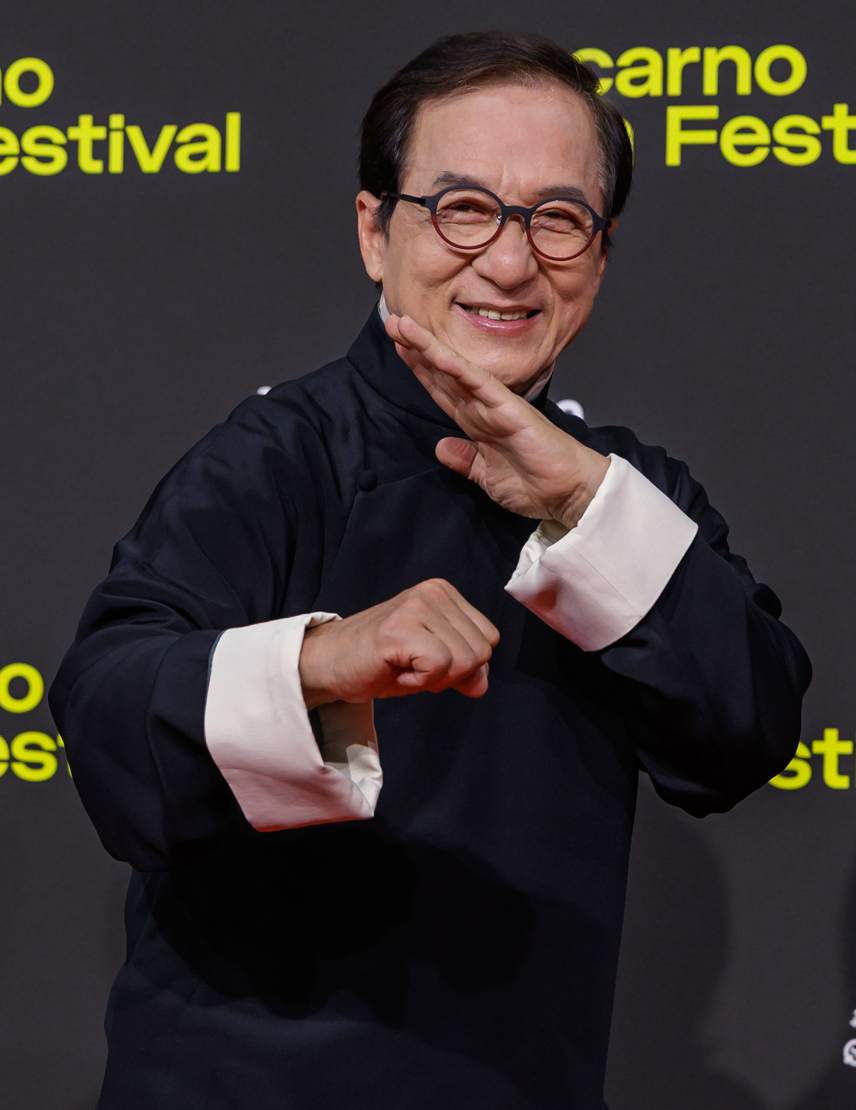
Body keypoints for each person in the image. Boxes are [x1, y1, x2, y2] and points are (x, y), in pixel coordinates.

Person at [50, 31, 811, 1110]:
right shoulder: (278, 457)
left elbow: (746, 733)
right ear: (375, 231)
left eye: (557, 218)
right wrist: (320, 661)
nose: (509, 262)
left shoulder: (628, 487)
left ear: (600, 255)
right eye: (462, 209)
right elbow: (107, 715)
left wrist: (580, 504)